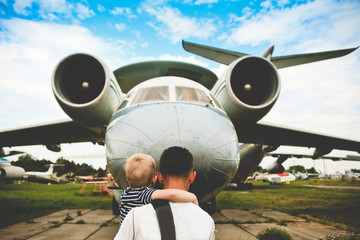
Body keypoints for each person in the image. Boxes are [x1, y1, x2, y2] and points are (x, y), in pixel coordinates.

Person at [114, 147, 215, 240]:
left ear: (160, 177)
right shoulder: (207, 221)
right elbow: (171, 194)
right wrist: (192, 197)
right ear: (192, 177)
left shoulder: (133, 211)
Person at [119, 153, 198, 225]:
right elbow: (172, 194)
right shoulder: (143, 194)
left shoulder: (125, 194)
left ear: (127, 178)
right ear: (154, 179)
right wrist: (192, 197)